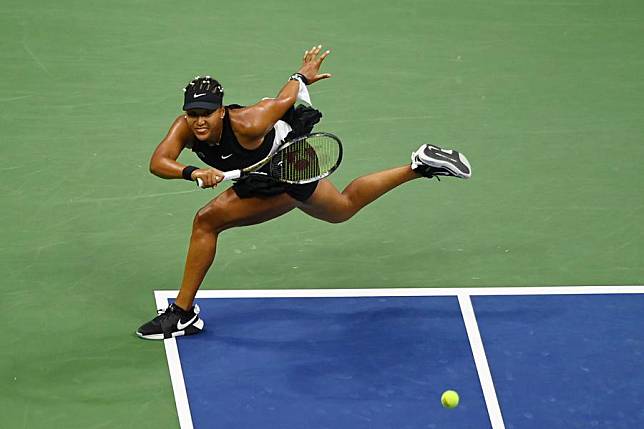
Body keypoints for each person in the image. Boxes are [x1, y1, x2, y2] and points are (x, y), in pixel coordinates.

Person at [136, 45, 472, 340]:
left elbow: (282, 100)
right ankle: (183, 313)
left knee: (341, 208)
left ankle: (419, 166)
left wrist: (301, 75)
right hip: (257, 174)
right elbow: (158, 161)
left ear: (221, 110)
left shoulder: (250, 122)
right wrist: (193, 172)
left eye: (206, 113)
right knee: (206, 222)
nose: (199, 121)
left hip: (290, 163)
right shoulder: (185, 127)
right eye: (193, 114)